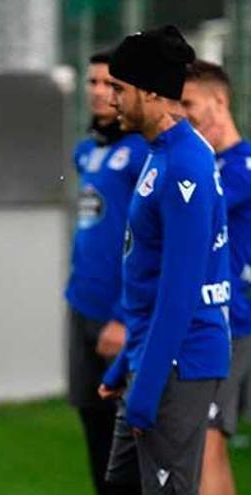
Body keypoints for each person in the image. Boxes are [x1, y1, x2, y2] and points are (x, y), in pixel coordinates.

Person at [97, 26, 231, 494]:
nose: (111, 99)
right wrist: (123, 370)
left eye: (119, 88)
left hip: (180, 362)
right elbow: (152, 279)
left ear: (152, 92)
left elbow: (179, 292)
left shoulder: (184, 166)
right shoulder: (159, 153)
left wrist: (145, 391)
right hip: (150, 357)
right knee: (119, 486)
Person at [63, 51, 149, 495]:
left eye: (109, 84)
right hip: (83, 304)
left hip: (120, 316)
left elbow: (147, 242)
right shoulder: (89, 150)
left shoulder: (141, 154)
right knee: (93, 426)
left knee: (129, 439)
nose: (99, 92)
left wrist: (122, 314)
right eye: (93, 82)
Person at [182, 59, 251, 495]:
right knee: (207, 445)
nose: (182, 115)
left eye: (189, 103)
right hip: (217, 324)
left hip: (232, 324)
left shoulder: (238, 169)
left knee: (204, 445)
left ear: (219, 101)